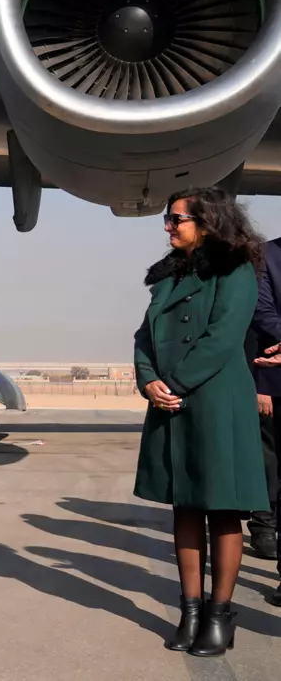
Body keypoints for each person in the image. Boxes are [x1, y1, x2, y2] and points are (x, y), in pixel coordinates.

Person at [133, 186, 269, 657]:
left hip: (215, 401)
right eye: (167, 220)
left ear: (207, 222)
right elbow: (143, 335)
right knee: (184, 507)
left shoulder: (236, 269)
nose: (168, 227)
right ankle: (189, 610)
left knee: (222, 509)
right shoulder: (168, 277)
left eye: (176, 219)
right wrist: (148, 379)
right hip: (170, 401)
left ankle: (220, 616)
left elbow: (223, 337)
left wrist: (174, 384)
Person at [246, 234, 281, 563]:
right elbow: (262, 314)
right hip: (271, 374)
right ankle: (264, 522)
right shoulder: (265, 256)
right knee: (267, 457)